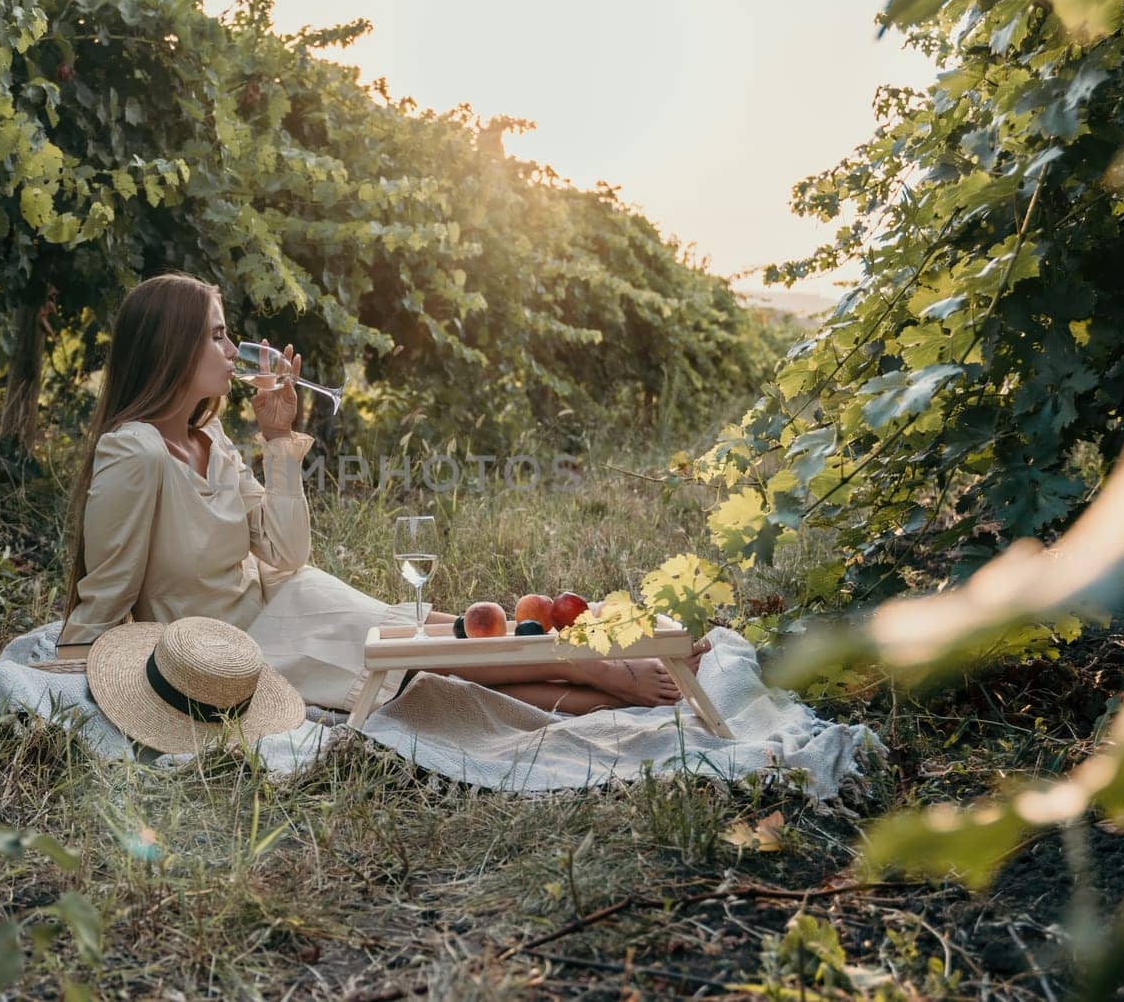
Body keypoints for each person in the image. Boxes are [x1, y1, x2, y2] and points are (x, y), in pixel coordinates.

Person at [59, 273, 708, 716]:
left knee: (429, 630)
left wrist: (279, 437)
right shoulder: (135, 449)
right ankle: (598, 671)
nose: (234, 349)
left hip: (286, 593)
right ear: (172, 346)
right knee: (426, 663)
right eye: (218, 334)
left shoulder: (214, 437)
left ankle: (610, 657)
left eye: (229, 333)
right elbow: (105, 593)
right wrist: (77, 676)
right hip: (234, 640)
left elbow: (286, 555)